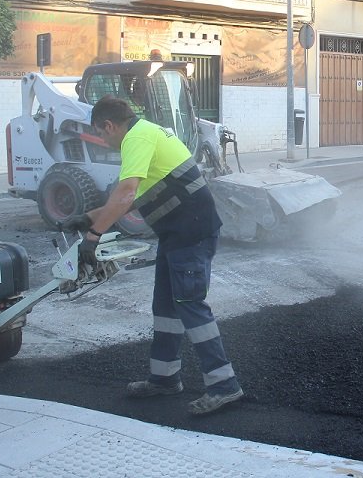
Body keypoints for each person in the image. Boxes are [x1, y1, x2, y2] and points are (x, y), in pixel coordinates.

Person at [61, 96, 243, 415]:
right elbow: (139, 196)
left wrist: (93, 236)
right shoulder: (147, 133)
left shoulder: (137, 139)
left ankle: (224, 385)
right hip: (178, 234)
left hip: (191, 233)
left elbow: (126, 192)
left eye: (100, 133)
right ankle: (164, 379)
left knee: (190, 305)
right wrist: (89, 218)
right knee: (166, 307)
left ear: (109, 125)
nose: (103, 140)